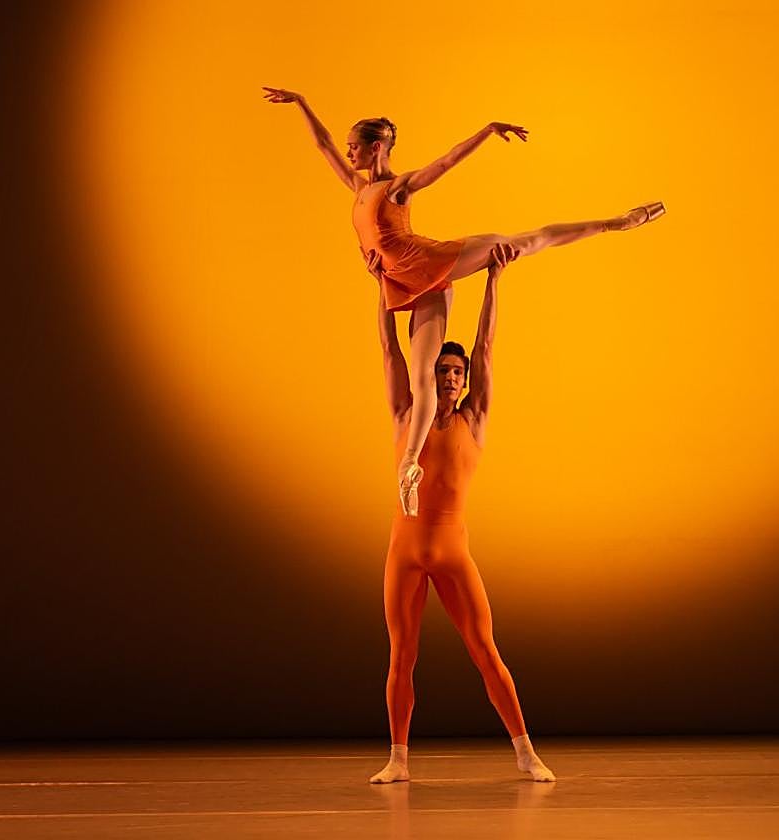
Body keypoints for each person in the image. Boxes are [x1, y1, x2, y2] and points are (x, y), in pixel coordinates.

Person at [263, 87, 665, 516]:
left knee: (527, 241)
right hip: (415, 288)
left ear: (375, 148)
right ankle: (410, 466)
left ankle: (618, 222)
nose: (347, 154)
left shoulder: (397, 189)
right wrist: (302, 103)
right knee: (421, 381)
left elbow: (446, 162)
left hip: (434, 262)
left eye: (354, 147)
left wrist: (487, 131)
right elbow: (322, 145)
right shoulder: (356, 187)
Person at [364, 242, 555, 784]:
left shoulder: (474, 417)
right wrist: (383, 288)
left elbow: (487, 346)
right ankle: (397, 760)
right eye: (442, 370)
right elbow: (389, 350)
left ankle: (525, 753)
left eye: (456, 372)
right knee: (402, 657)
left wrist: (495, 276)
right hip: (403, 552)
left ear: (464, 380)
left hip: (452, 552)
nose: (448, 378)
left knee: (485, 651)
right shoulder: (407, 411)